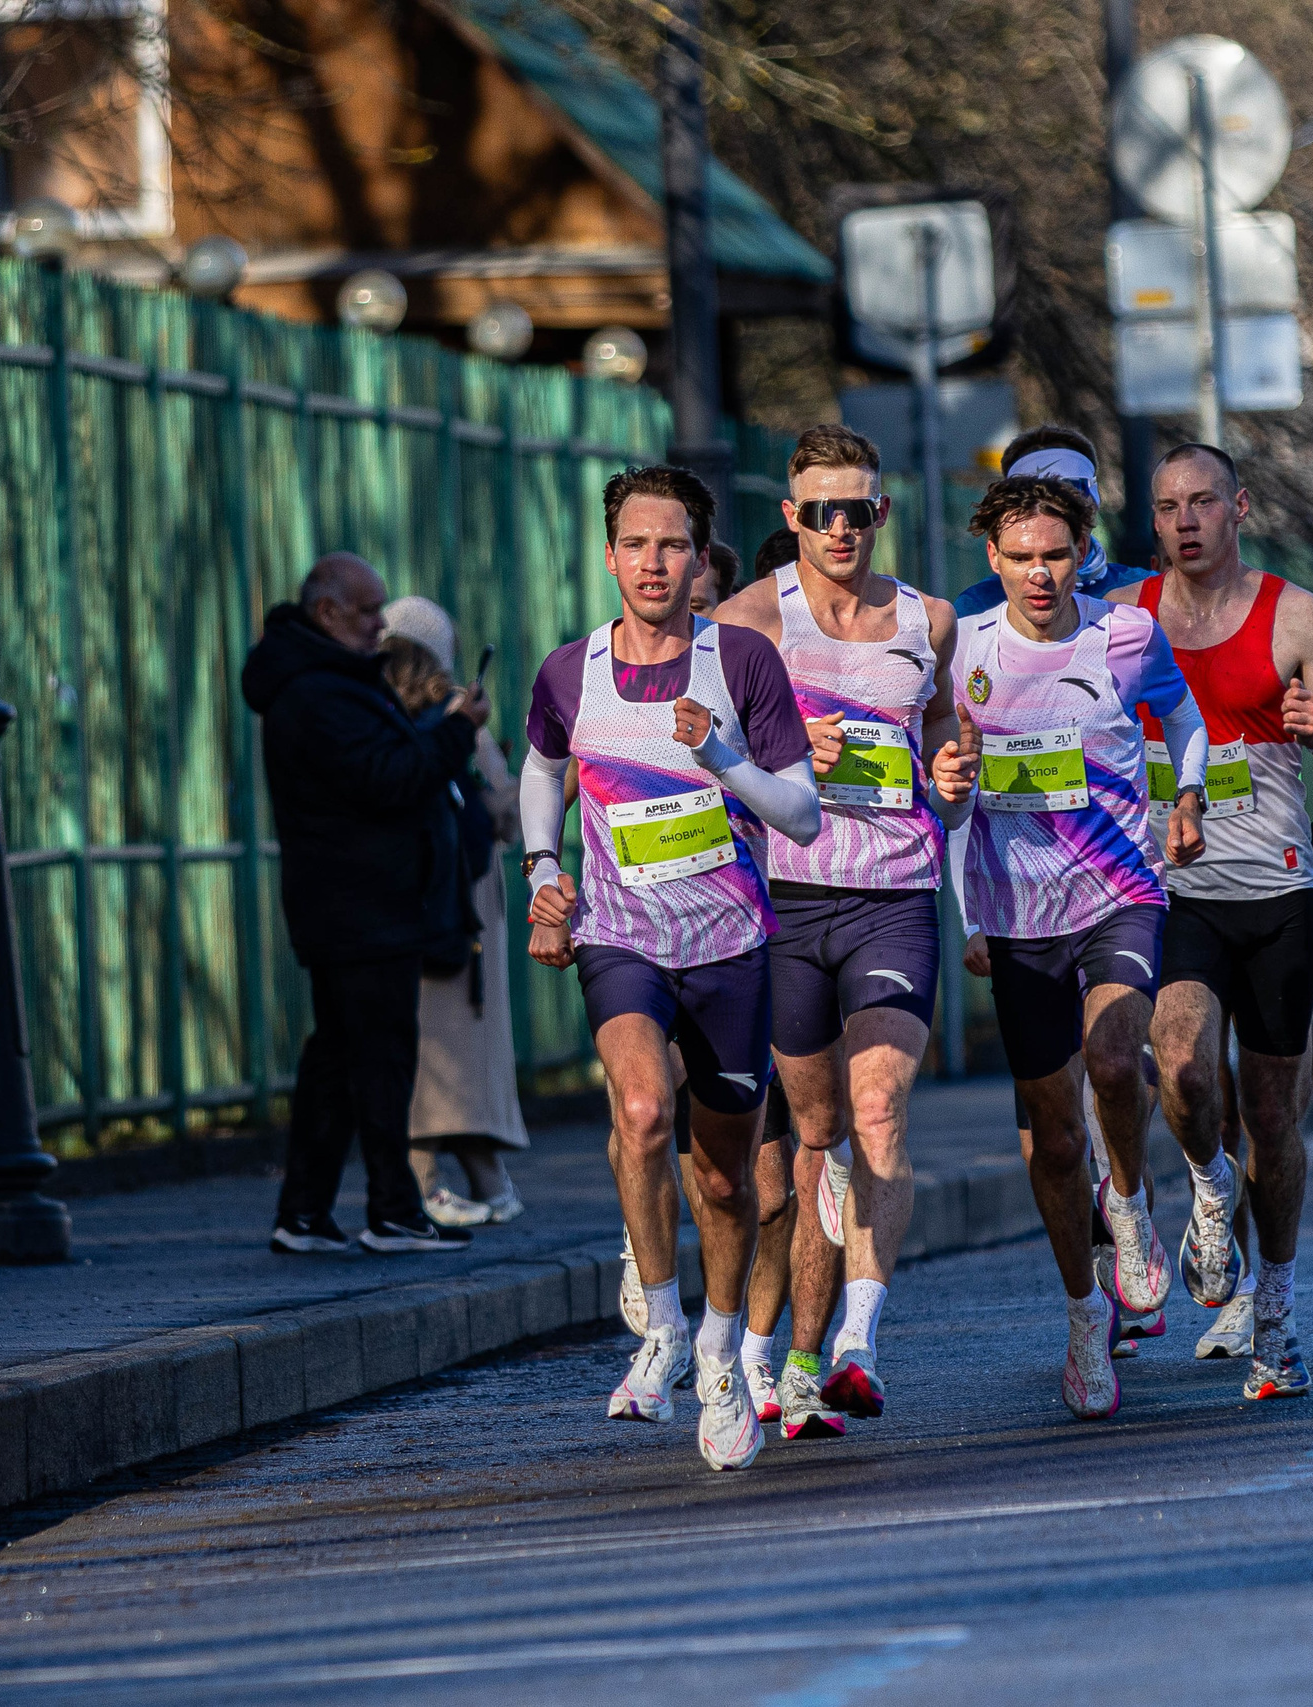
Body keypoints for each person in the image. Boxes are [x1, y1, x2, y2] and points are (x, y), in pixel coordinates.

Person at [521, 465, 822, 1472]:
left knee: (729, 1182)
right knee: (644, 1113)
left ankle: (721, 1352)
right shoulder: (571, 672)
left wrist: (724, 758)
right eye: (636, 544)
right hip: (621, 936)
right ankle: (657, 1324)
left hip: (731, 947)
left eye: (673, 545)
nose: (654, 564)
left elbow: (802, 813)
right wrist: (542, 873)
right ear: (610, 556)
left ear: (700, 560)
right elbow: (544, 766)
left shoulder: (738, 664)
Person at [932, 474, 1209, 1420]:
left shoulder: (1125, 635)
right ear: (993, 561)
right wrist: (953, 791)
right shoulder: (963, 649)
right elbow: (949, 787)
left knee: (1114, 1057)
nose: (1040, 574)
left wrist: (1186, 792)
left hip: (1119, 890)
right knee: (1051, 1138)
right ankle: (1086, 1316)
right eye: (1021, 559)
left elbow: (1183, 719)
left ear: (1081, 551)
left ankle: (1128, 1206)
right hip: (1018, 916)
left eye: (1056, 555)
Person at [715, 423, 960, 1438]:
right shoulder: (743, 623)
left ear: (880, 513)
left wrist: (948, 764)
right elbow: (688, 743)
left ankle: (858, 1335)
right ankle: (792, 1352)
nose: (839, 527)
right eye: (820, 511)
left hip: (895, 895)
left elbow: (943, 720)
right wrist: (778, 745)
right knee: (816, 1133)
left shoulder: (928, 620)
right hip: (786, 902)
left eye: (856, 508)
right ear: (791, 518)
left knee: (879, 1109)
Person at [1115, 442, 1313, 1396]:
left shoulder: (1292, 614)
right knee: (1179, 1065)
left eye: (1203, 502)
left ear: (1240, 508)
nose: (1185, 520)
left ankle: (1276, 1310)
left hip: (1274, 891)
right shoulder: (1125, 620)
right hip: (1169, 884)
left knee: (1275, 1112)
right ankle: (1209, 1185)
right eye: (1168, 505)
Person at [244, 552, 483, 1257]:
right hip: (361, 907)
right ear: (327, 613)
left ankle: (307, 1211)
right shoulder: (319, 692)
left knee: (339, 1059)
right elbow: (392, 775)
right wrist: (457, 728)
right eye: (368, 610)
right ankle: (392, 1209)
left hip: (351, 903)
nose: (382, 625)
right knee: (378, 1057)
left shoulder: (326, 682)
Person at [377, 596, 531, 1228]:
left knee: (425, 1042)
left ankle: (449, 1179)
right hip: (463, 908)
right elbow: (504, 813)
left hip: (402, 899)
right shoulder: (452, 721)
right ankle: (467, 1180)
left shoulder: (378, 717)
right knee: (460, 1045)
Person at [950, 426, 1150, 618]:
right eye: (1032, 494)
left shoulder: (1145, 590)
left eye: (1072, 489)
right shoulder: (978, 605)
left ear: (1094, 497)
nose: (1053, 506)